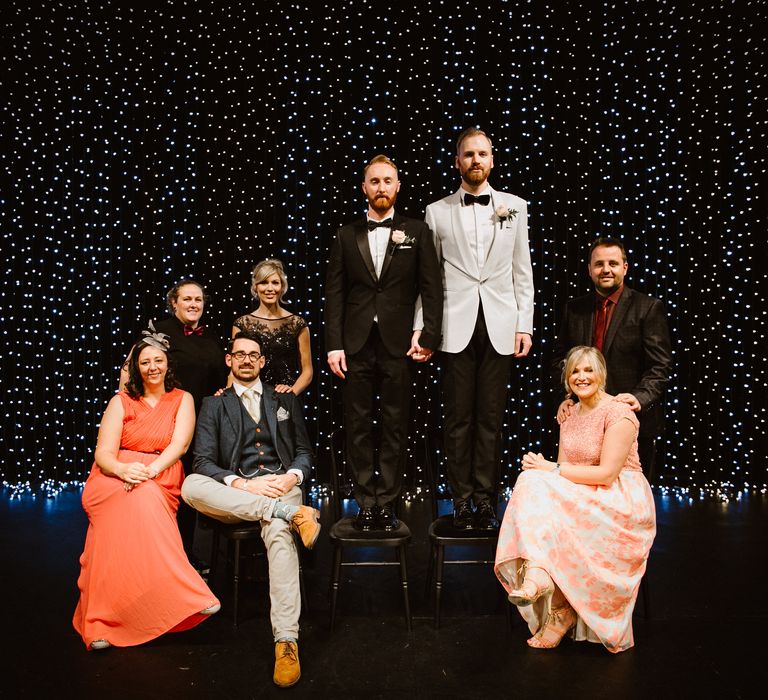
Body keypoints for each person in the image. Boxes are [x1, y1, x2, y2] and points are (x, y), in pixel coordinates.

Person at [181, 331, 320, 689]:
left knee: (277, 536)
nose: (246, 360)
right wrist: (242, 484)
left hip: (280, 486)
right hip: (241, 490)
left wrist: (291, 479)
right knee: (191, 486)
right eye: (239, 354)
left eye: (253, 355)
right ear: (229, 360)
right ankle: (293, 514)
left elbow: (305, 452)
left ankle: (286, 641)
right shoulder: (213, 404)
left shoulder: (283, 399)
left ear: (261, 362)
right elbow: (203, 461)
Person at [495, 346, 656, 653]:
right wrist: (546, 470)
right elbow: (562, 472)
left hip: (619, 497)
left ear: (602, 375)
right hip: (583, 491)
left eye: (588, 370)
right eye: (575, 372)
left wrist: (550, 468)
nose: (582, 377)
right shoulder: (569, 414)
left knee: (538, 480)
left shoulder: (618, 413)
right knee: (532, 481)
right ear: (567, 380)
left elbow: (607, 474)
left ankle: (554, 602)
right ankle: (548, 589)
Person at [73, 327, 220, 651]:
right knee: (123, 516)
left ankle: (184, 597)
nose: (152, 366)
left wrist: (150, 471)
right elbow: (103, 454)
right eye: (145, 362)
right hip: (113, 476)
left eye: (158, 360)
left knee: (148, 498)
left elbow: (180, 445)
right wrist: (125, 470)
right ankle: (99, 622)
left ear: (168, 364)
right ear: (135, 367)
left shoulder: (183, 399)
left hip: (160, 471)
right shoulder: (121, 401)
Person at [324, 154, 443, 531]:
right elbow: (335, 293)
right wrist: (333, 344)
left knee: (395, 426)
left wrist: (429, 335)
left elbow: (432, 287)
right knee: (356, 426)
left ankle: (387, 503)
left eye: (387, 181)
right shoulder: (346, 234)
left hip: (399, 344)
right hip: (356, 344)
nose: (381, 188)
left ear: (397, 186)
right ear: (364, 187)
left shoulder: (417, 231)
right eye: (374, 181)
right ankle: (364, 502)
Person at [424, 127, 534, 530]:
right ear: (457, 162)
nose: (475, 161)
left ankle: (486, 499)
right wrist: (424, 329)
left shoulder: (515, 206)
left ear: (492, 160)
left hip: (501, 322)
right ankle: (461, 499)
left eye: (482, 154)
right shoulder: (436, 212)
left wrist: (525, 324)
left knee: (490, 417)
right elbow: (429, 278)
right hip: (455, 323)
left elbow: (523, 271)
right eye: (468, 155)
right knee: (457, 419)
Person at [120, 280, 228, 566]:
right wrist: (128, 410)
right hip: (164, 419)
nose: (194, 304)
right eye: (187, 299)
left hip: (201, 423)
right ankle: (154, 554)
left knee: (188, 487)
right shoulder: (160, 330)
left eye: (199, 299)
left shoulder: (211, 337)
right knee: (161, 486)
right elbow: (131, 368)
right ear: (174, 303)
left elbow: (221, 380)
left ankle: (183, 553)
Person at [551, 237, 672, 482]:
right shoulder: (574, 308)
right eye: (599, 264)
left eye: (613, 263)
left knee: (629, 494)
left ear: (624, 267)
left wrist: (639, 398)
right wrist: (566, 397)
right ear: (589, 269)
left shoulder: (648, 307)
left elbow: (660, 365)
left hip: (630, 418)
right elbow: (560, 359)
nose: (606, 269)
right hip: (584, 418)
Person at [232, 258, 313, 394]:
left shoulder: (297, 324)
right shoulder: (242, 324)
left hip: (286, 397)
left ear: (282, 287)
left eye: (275, 283)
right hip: (251, 396)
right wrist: (228, 397)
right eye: (264, 282)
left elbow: (307, 371)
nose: (270, 288)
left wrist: (291, 393)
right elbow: (234, 368)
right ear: (255, 287)